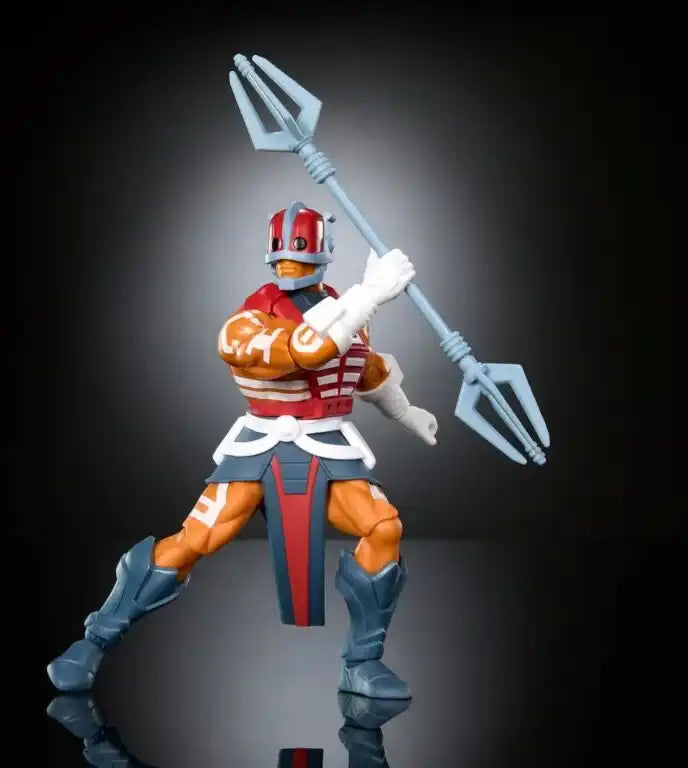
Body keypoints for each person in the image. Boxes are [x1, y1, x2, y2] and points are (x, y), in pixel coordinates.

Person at [47, 202, 438, 699]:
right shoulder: (246, 323)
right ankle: (94, 641)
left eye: (300, 256)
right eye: (286, 258)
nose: (291, 266)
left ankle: (363, 663)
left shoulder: (344, 309)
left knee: (384, 528)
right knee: (195, 540)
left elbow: (365, 369)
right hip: (261, 448)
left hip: (329, 445)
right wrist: (369, 295)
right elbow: (306, 350)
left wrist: (406, 412)